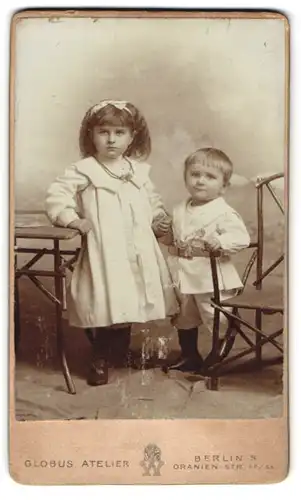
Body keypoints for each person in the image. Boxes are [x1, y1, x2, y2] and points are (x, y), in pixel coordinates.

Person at [45, 99, 178, 386]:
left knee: (132, 297)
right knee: (107, 299)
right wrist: (72, 219)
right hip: (106, 248)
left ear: (132, 137)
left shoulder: (137, 171)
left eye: (119, 133)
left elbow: (152, 201)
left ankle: (119, 352)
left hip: (137, 246)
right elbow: (57, 197)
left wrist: (158, 219)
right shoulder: (84, 170)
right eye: (103, 132)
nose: (111, 139)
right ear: (91, 135)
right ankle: (100, 356)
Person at [162, 147, 250, 372]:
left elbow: (241, 238)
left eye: (210, 177)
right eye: (195, 174)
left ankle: (218, 353)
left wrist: (221, 243)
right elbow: (175, 238)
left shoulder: (223, 212)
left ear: (224, 186)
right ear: (186, 178)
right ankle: (189, 355)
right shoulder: (180, 208)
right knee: (184, 317)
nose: (200, 181)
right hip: (182, 272)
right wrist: (161, 232)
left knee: (214, 315)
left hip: (211, 276)